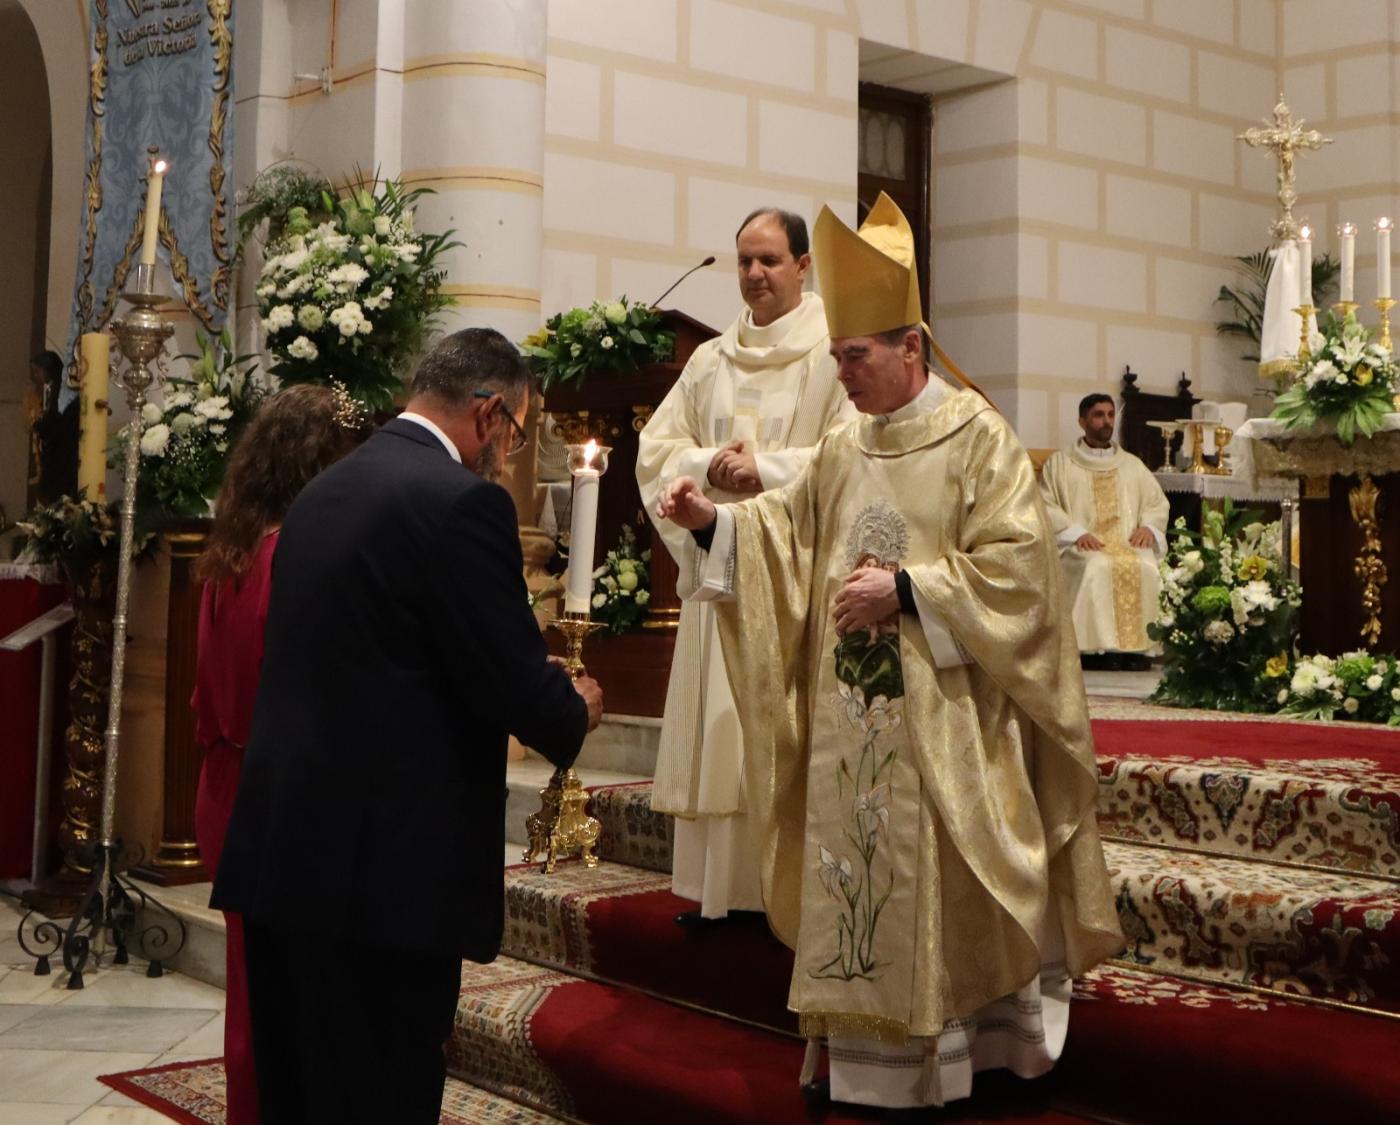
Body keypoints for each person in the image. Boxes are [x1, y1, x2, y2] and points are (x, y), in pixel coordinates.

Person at [656, 194, 1122, 1112]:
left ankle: (966, 1057)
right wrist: (715, 524)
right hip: (852, 722)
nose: (842, 375)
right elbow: (789, 532)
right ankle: (866, 1068)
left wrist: (908, 589)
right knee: (860, 881)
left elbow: (1022, 573)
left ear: (911, 348)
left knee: (943, 890)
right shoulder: (847, 440)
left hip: (949, 726)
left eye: (855, 357)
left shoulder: (978, 438)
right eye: (835, 357)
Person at [212, 329, 603, 1125]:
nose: (506, 454)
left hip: (283, 855)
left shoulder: (321, 494)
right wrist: (574, 705)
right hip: (383, 880)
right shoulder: (462, 503)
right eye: (515, 432)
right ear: (488, 413)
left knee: (298, 1093)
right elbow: (511, 678)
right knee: (379, 1093)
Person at [636, 207, 852, 924]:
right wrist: (709, 468)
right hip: (720, 565)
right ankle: (717, 895)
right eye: (744, 262)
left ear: (803, 266)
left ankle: (779, 898)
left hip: (791, 577)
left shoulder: (835, 354)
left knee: (776, 730)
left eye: (769, 260)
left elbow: (853, 453)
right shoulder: (711, 359)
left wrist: (767, 469)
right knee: (722, 732)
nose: (754, 275)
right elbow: (657, 449)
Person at [191, 383, 366, 1125]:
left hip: (224, 783)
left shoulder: (231, 551)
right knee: (283, 1009)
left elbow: (207, 692)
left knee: (251, 995)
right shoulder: (294, 555)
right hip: (275, 793)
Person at [1039, 394, 1170, 671]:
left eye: (1110, 414)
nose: (1106, 421)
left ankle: (1138, 651)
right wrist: (1075, 533)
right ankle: (1092, 651)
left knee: (1146, 565)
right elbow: (1044, 505)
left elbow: (1156, 502)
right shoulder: (1060, 464)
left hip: (1127, 542)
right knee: (1095, 566)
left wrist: (1148, 526)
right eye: (1098, 415)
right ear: (1082, 421)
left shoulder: (1132, 464)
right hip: (1082, 544)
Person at [28, 350, 78, 503]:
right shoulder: (57, 388)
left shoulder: (60, 390)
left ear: (47, 369)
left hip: (62, 451)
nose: (36, 376)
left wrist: (38, 424)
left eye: (37, 371)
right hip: (59, 448)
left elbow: (54, 419)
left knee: (54, 494)